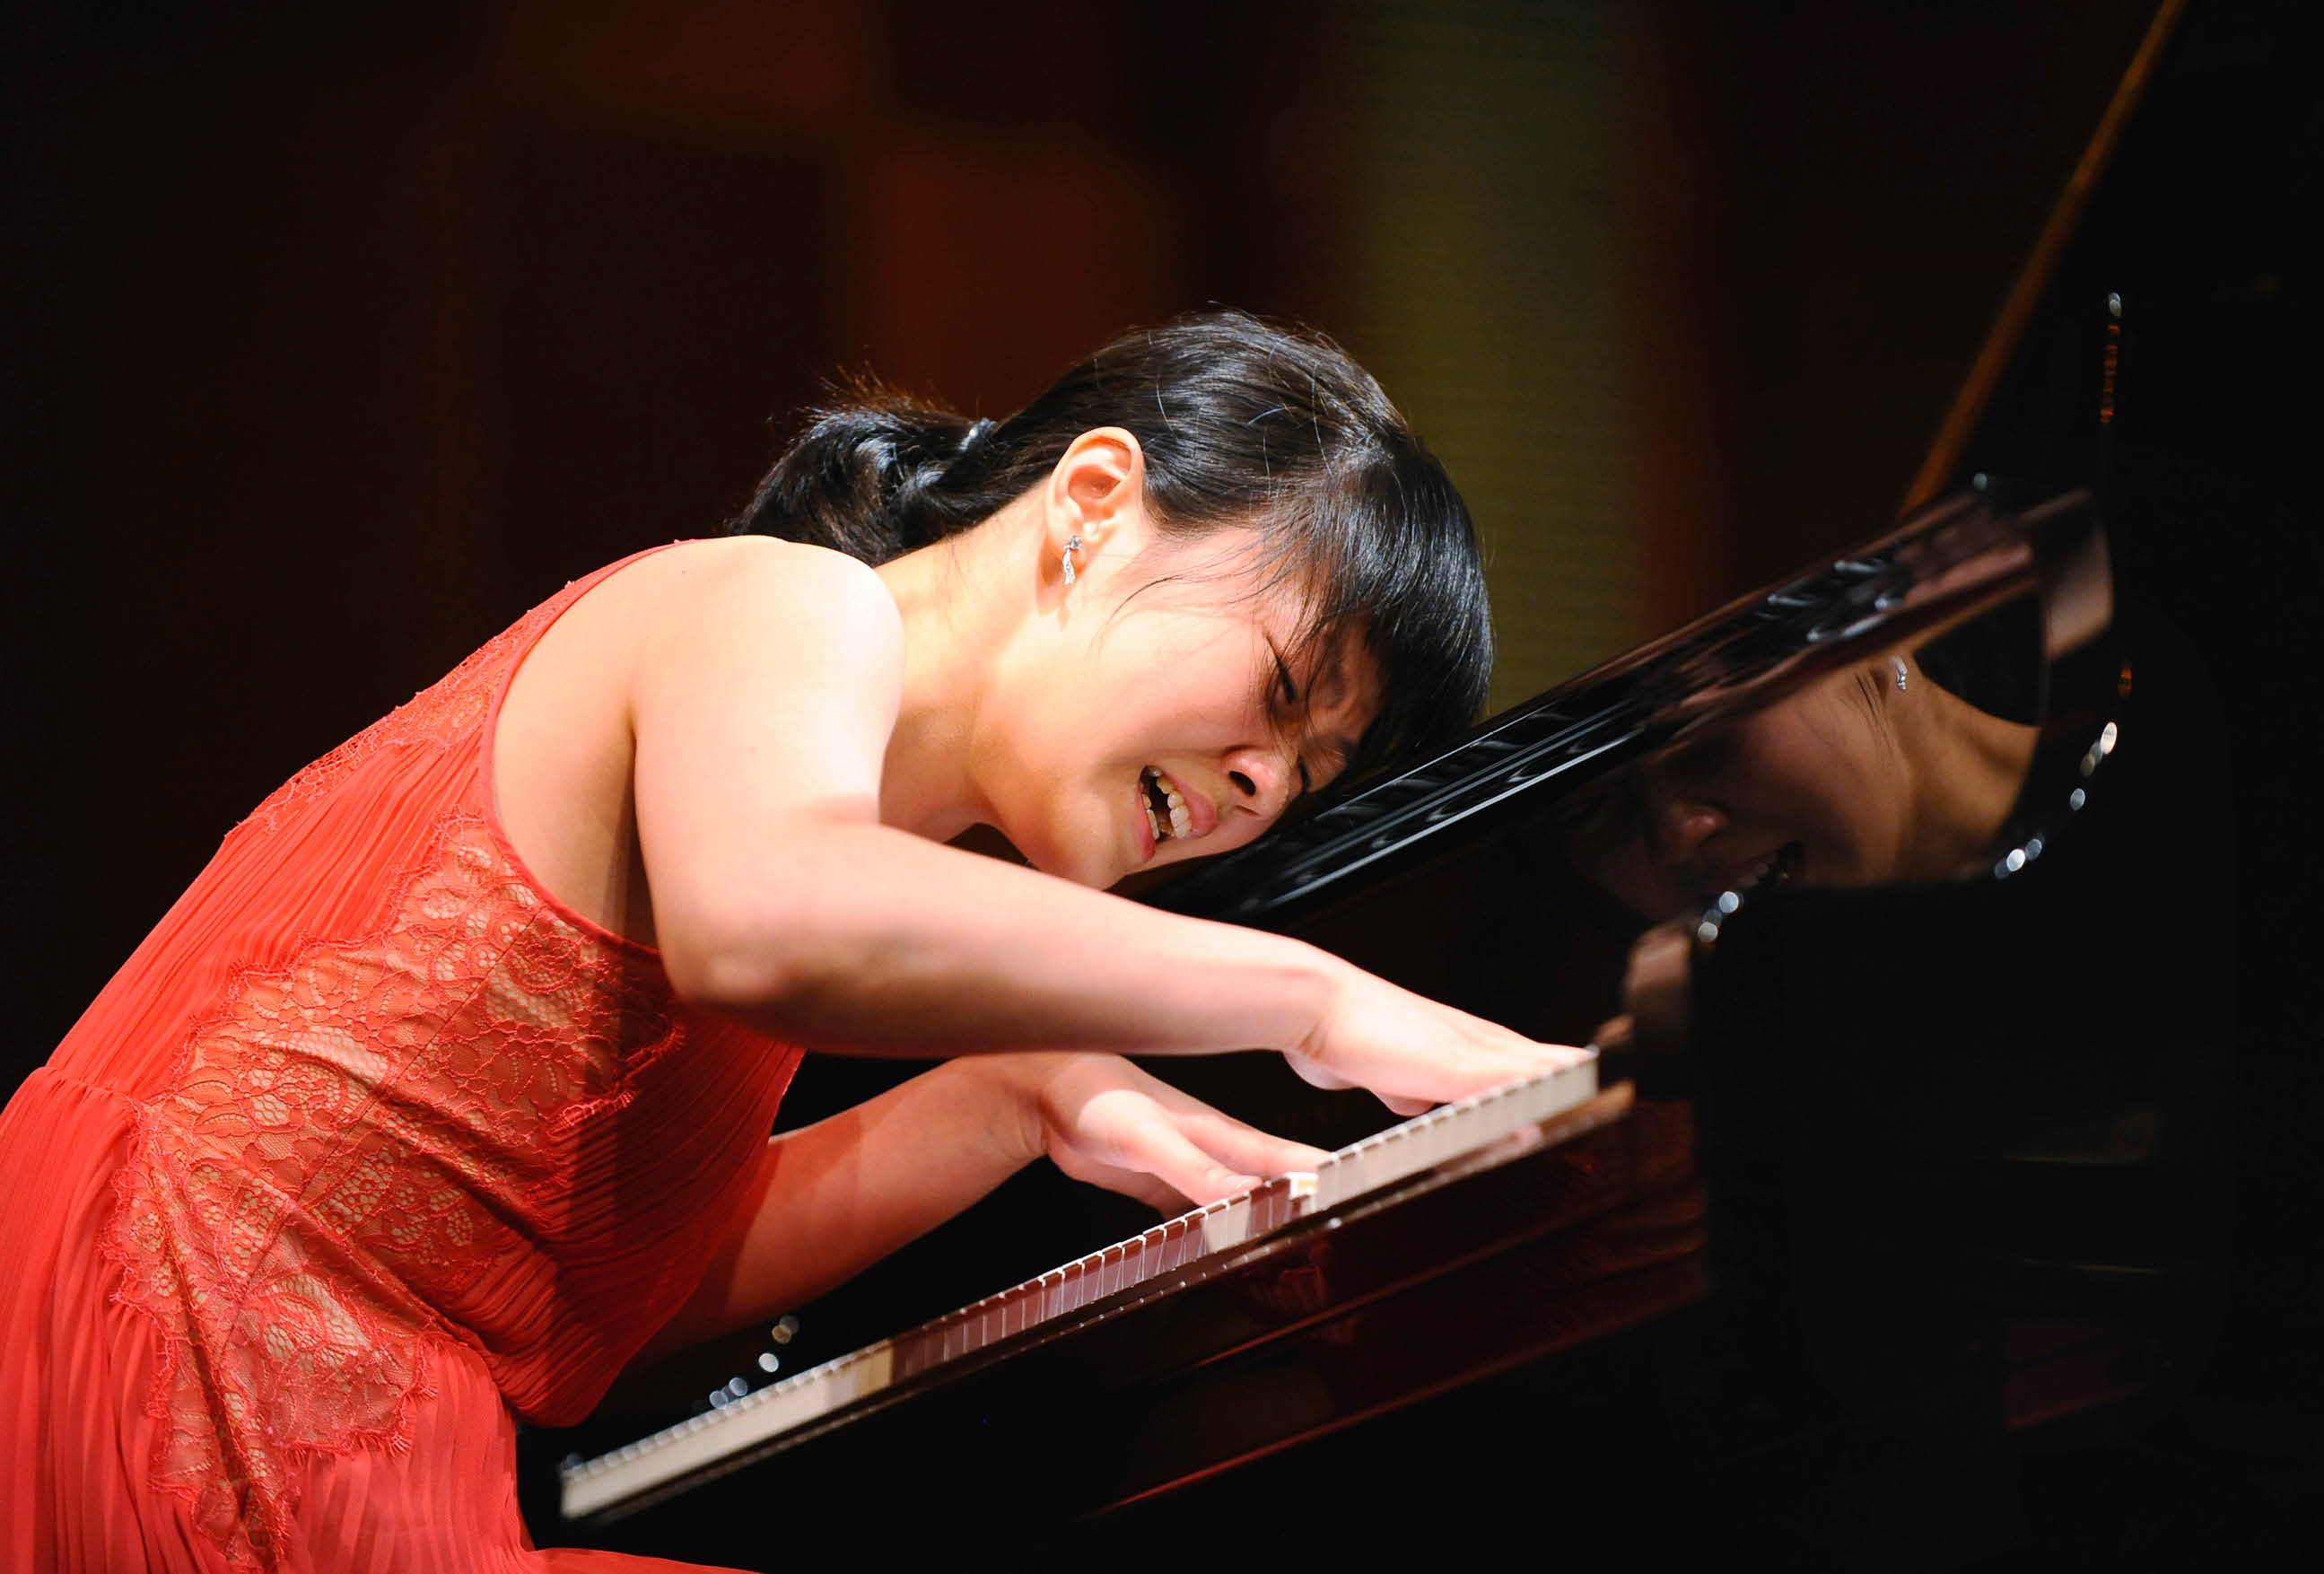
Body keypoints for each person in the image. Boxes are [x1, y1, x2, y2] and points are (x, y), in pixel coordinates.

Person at [0, 310, 1579, 1573]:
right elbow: (772, 919)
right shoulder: (786, 609)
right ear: (1095, 504)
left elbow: (600, 1284)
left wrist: (1013, 1097)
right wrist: (1316, 999)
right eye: (1284, 698)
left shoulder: (839, 835)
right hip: (183, 1355)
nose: (1262, 788)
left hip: (338, 1422)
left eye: (1306, 777)